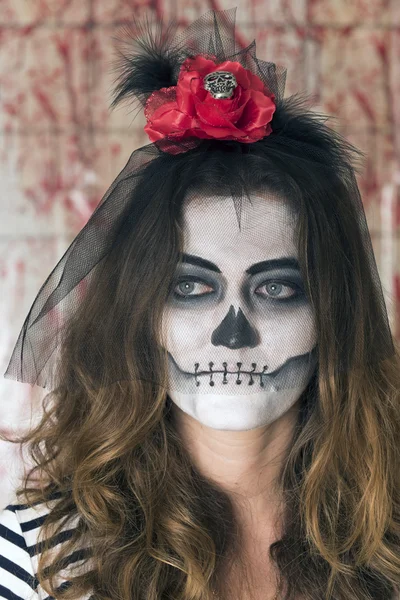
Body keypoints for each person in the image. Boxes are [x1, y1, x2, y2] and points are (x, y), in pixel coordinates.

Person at [1, 8, 399, 600]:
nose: (231, 334)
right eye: (191, 287)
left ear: (332, 319)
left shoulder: (388, 543)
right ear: (137, 317)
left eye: (277, 288)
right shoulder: (36, 556)